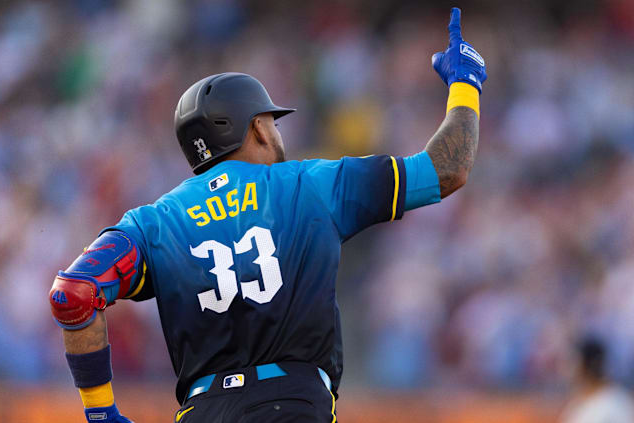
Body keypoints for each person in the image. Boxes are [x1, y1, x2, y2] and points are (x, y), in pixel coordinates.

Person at [48, 7, 486, 423]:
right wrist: (465, 83)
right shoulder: (311, 183)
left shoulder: (153, 222)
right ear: (256, 127)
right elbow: (447, 169)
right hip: (293, 403)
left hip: (203, 411)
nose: (277, 132)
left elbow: (74, 292)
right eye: (272, 122)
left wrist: (101, 412)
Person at [560, 337, 634, 423]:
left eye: (574, 363)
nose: (568, 369)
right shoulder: (576, 402)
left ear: (588, 365)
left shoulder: (616, 402)